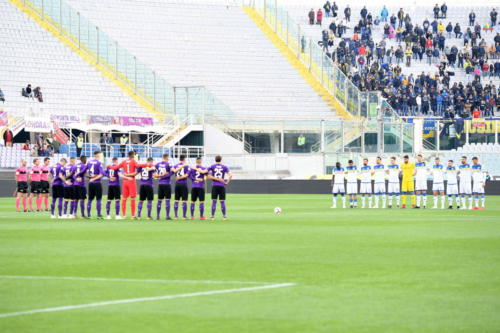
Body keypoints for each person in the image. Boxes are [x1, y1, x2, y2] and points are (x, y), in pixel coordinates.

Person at [108, 151, 148, 218]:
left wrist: (109, 166)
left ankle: (124, 215)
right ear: (132, 155)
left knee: (124, 198)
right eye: (134, 154)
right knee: (133, 198)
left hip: (125, 181)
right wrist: (147, 164)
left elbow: (115, 168)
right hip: (131, 180)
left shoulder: (124, 162)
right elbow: (138, 166)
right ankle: (133, 215)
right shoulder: (133, 161)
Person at [207, 155, 232, 220]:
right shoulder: (225, 167)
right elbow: (231, 175)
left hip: (214, 185)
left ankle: (212, 216)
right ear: (221, 160)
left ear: (215, 160)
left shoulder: (212, 166)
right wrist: (227, 182)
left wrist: (215, 178)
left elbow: (208, 175)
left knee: (214, 201)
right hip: (221, 186)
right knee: (222, 201)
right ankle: (224, 216)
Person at [86, 151, 104, 219]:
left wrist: (90, 177)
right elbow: (101, 174)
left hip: (90, 183)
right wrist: (94, 178)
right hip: (97, 183)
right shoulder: (99, 163)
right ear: (98, 155)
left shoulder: (89, 162)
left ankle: (88, 215)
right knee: (98, 199)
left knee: (90, 199)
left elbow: (84, 172)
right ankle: (98, 215)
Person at [172, 155, 190, 220]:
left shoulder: (175, 165)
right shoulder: (186, 166)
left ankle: (176, 216)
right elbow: (187, 175)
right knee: (184, 200)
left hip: (177, 184)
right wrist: (180, 177)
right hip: (184, 184)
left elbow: (173, 171)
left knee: (176, 200)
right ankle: (184, 216)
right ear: (184, 159)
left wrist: (178, 178)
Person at [154, 154, 172, 220]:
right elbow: (171, 173)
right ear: (167, 158)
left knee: (159, 200)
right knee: (167, 199)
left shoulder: (157, 164)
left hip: (160, 184)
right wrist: (164, 175)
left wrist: (158, 176)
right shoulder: (168, 164)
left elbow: (154, 173)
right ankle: (167, 216)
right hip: (167, 184)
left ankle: (158, 216)